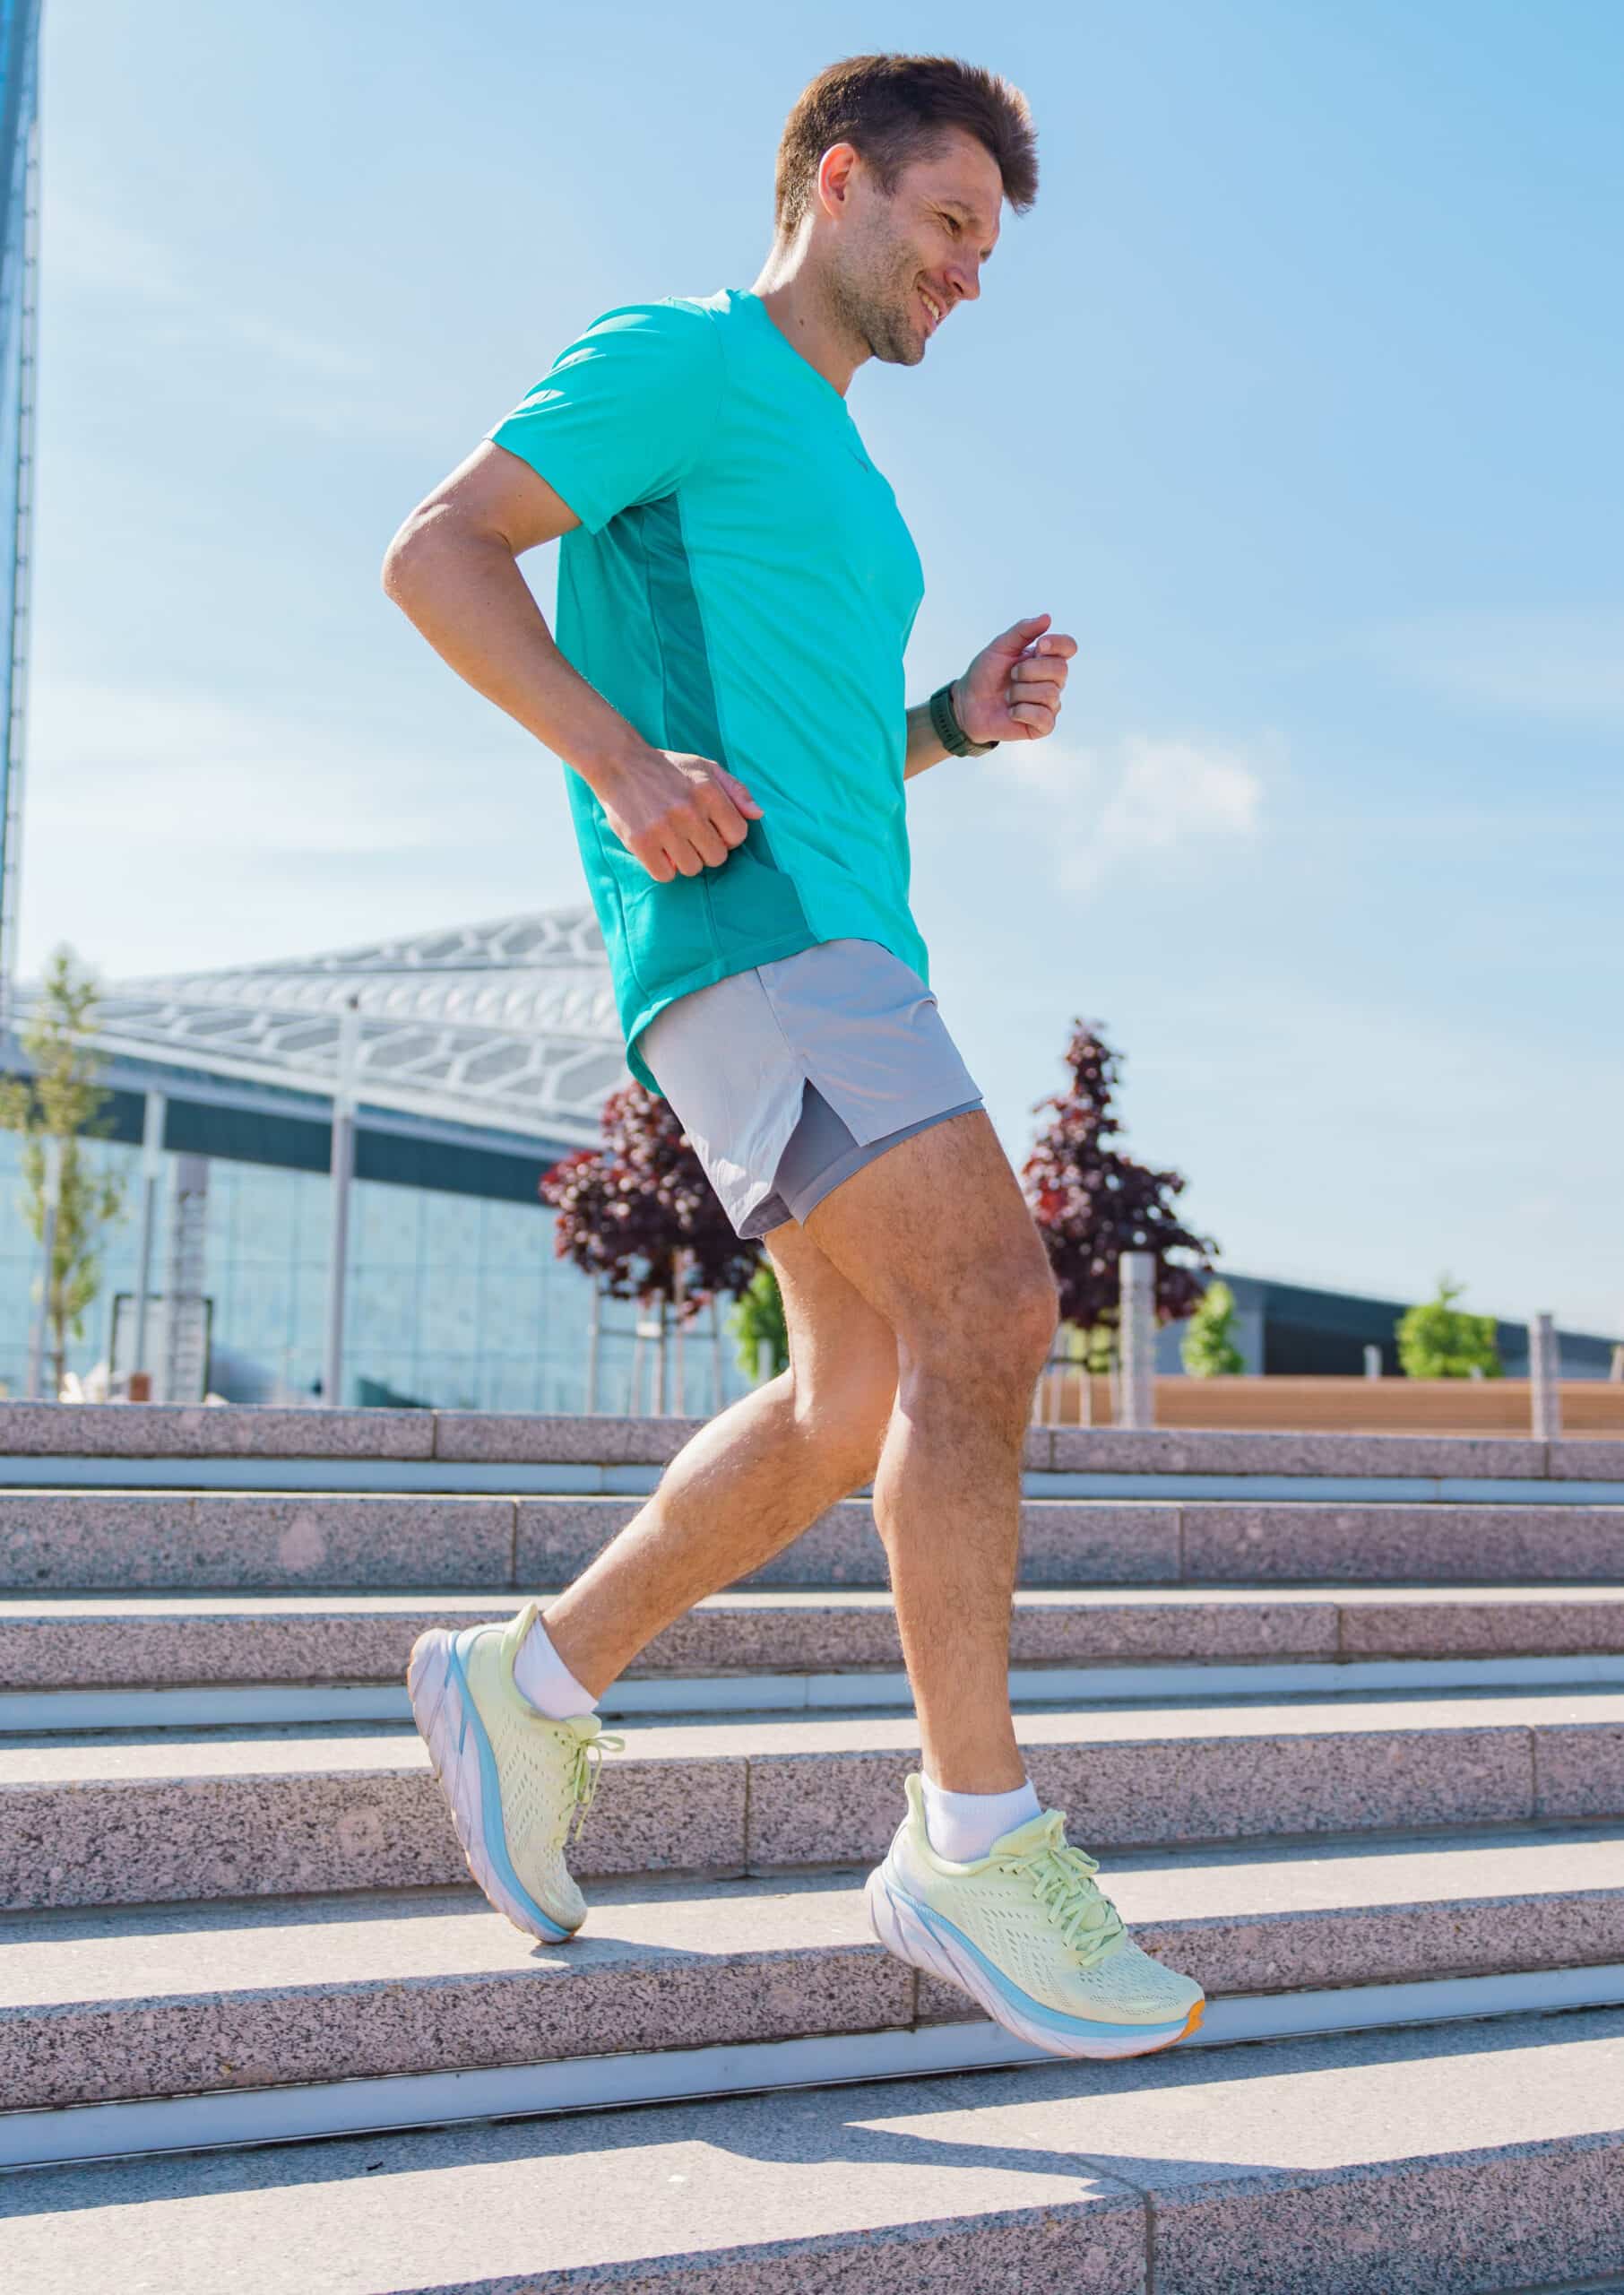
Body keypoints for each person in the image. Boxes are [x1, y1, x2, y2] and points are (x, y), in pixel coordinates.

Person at [383, 52, 1203, 2061]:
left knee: (851, 1400)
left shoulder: (851, 485)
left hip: (842, 932)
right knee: (992, 1303)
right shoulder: (682, 355)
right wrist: (619, 763)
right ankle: (973, 1837)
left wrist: (948, 725)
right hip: (761, 938)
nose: (969, 276)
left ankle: (532, 1681)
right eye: (947, 227)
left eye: (987, 251)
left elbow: (824, 750)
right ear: (838, 184)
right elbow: (439, 551)